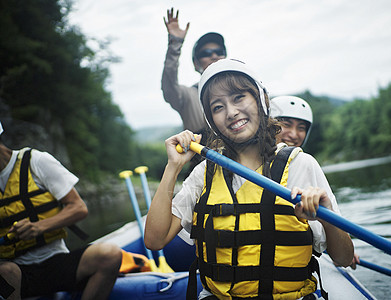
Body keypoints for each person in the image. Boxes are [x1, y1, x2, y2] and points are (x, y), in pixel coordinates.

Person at [145, 59, 354, 299]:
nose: (231, 112)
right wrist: (173, 167)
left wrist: (326, 214)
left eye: (238, 98)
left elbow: (344, 258)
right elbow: (155, 240)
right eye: (217, 107)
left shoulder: (301, 165)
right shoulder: (204, 174)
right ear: (212, 120)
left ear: (261, 100)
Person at [0, 122, 122, 300]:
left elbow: (79, 207)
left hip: (55, 261)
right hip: (15, 270)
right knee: (7, 272)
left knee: (110, 255)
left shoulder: (36, 161)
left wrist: (39, 227)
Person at [271, 95, 361, 269]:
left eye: (301, 128)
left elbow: (343, 257)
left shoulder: (306, 164)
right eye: (286, 124)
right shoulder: (240, 165)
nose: (294, 134)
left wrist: (334, 238)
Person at [161, 7, 227, 135]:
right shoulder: (188, 96)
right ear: (196, 64)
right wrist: (175, 44)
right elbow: (169, 86)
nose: (214, 56)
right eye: (206, 53)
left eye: (219, 52)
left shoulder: (240, 89)